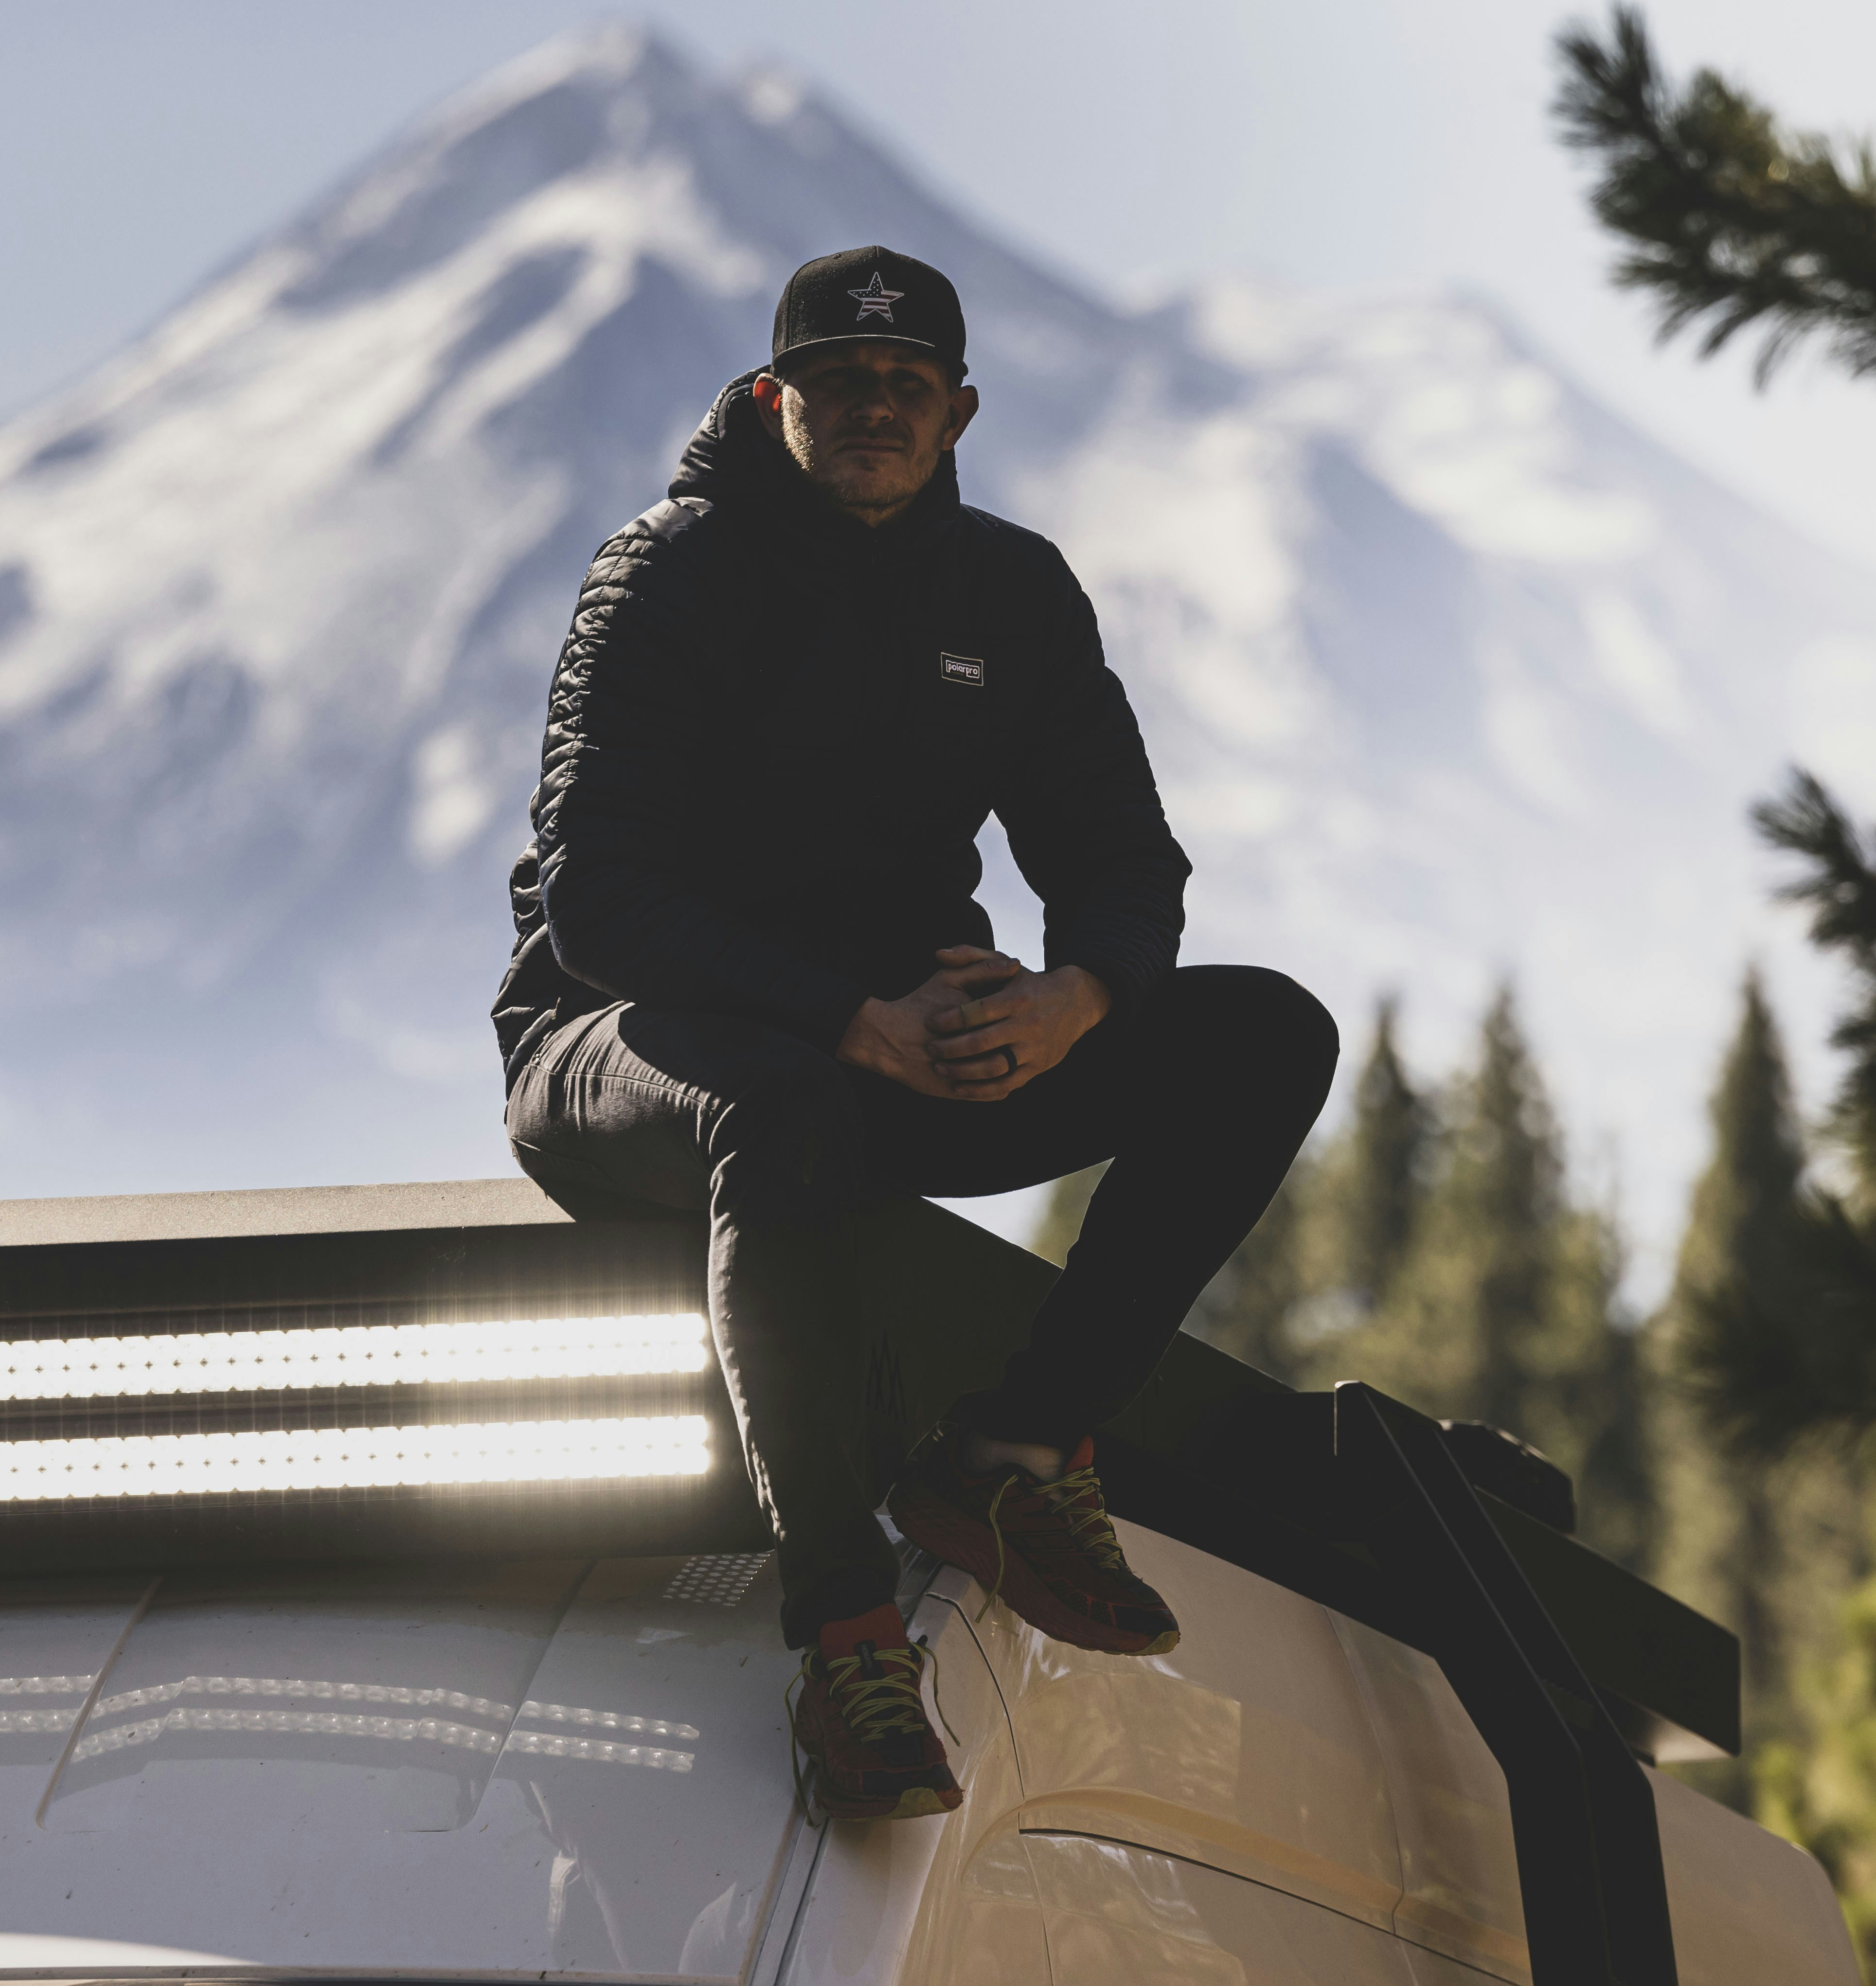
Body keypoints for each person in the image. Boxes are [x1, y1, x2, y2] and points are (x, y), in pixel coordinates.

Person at [492, 244, 1338, 1823]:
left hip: (894, 1040)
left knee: (1263, 1034)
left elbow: (1125, 862)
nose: (872, 408)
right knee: (787, 1112)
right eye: (836, 381)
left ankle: (1013, 1456)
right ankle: (846, 1629)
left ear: (958, 412)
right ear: (774, 398)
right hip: (634, 1047)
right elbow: (598, 900)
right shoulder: (666, 572)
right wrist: (841, 1017)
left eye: (906, 385)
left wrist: (1069, 997)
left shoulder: (1009, 593)